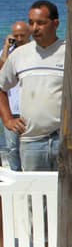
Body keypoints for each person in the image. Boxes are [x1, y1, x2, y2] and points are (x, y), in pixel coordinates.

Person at [0, 0, 72, 171]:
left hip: (67, 139)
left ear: (55, 24)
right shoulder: (19, 55)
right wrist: (8, 119)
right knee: (36, 194)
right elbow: (1, 87)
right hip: (32, 142)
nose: (34, 28)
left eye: (41, 23)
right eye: (31, 22)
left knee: (70, 195)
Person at [0, 21, 32, 170]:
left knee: (30, 148)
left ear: (29, 34)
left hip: (29, 108)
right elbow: (3, 72)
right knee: (12, 148)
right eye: (16, 36)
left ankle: (30, 176)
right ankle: (16, 174)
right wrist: (6, 47)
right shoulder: (6, 53)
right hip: (11, 109)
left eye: (22, 35)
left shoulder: (35, 52)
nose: (19, 39)